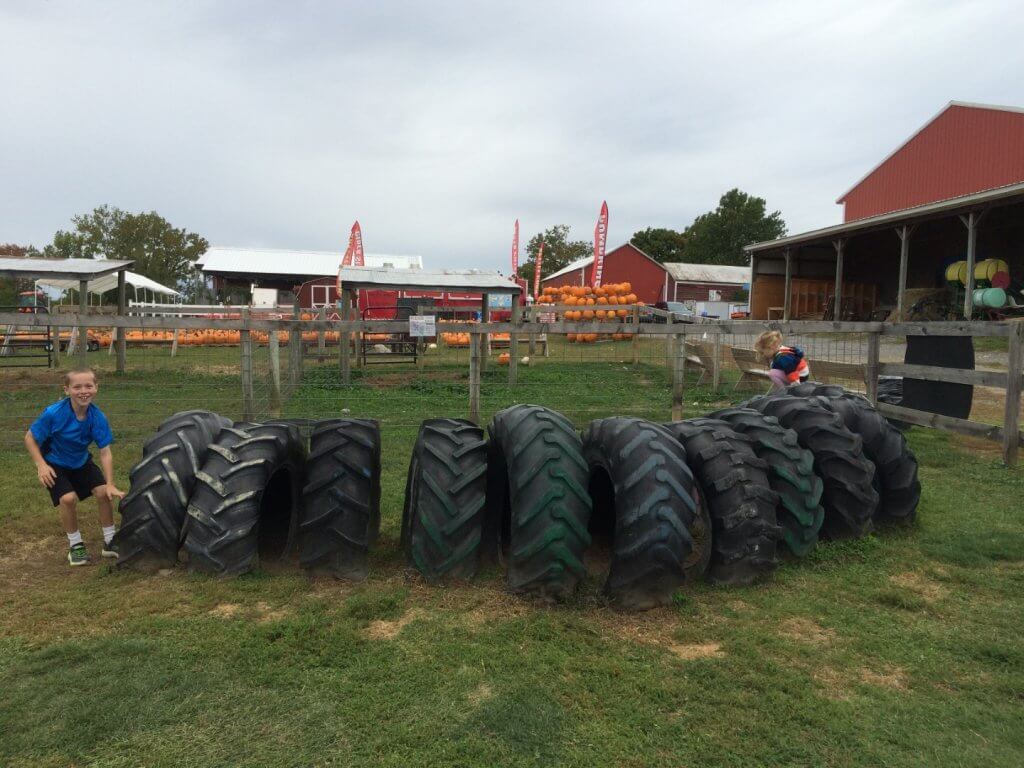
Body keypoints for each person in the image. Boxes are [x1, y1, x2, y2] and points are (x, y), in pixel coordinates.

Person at [24, 367, 124, 566]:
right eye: (77, 387)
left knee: (104, 492)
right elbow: (29, 438)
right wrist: (41, 465)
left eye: (89, 385)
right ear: (67, 389)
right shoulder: (53, 414)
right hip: (55, 463)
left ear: (96, 387)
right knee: (68, 499)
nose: (83, 391)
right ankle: (76, 546)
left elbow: (105, 452)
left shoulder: (98, 417)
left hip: (81, 461)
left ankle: (110, 541)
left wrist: (110, 483)